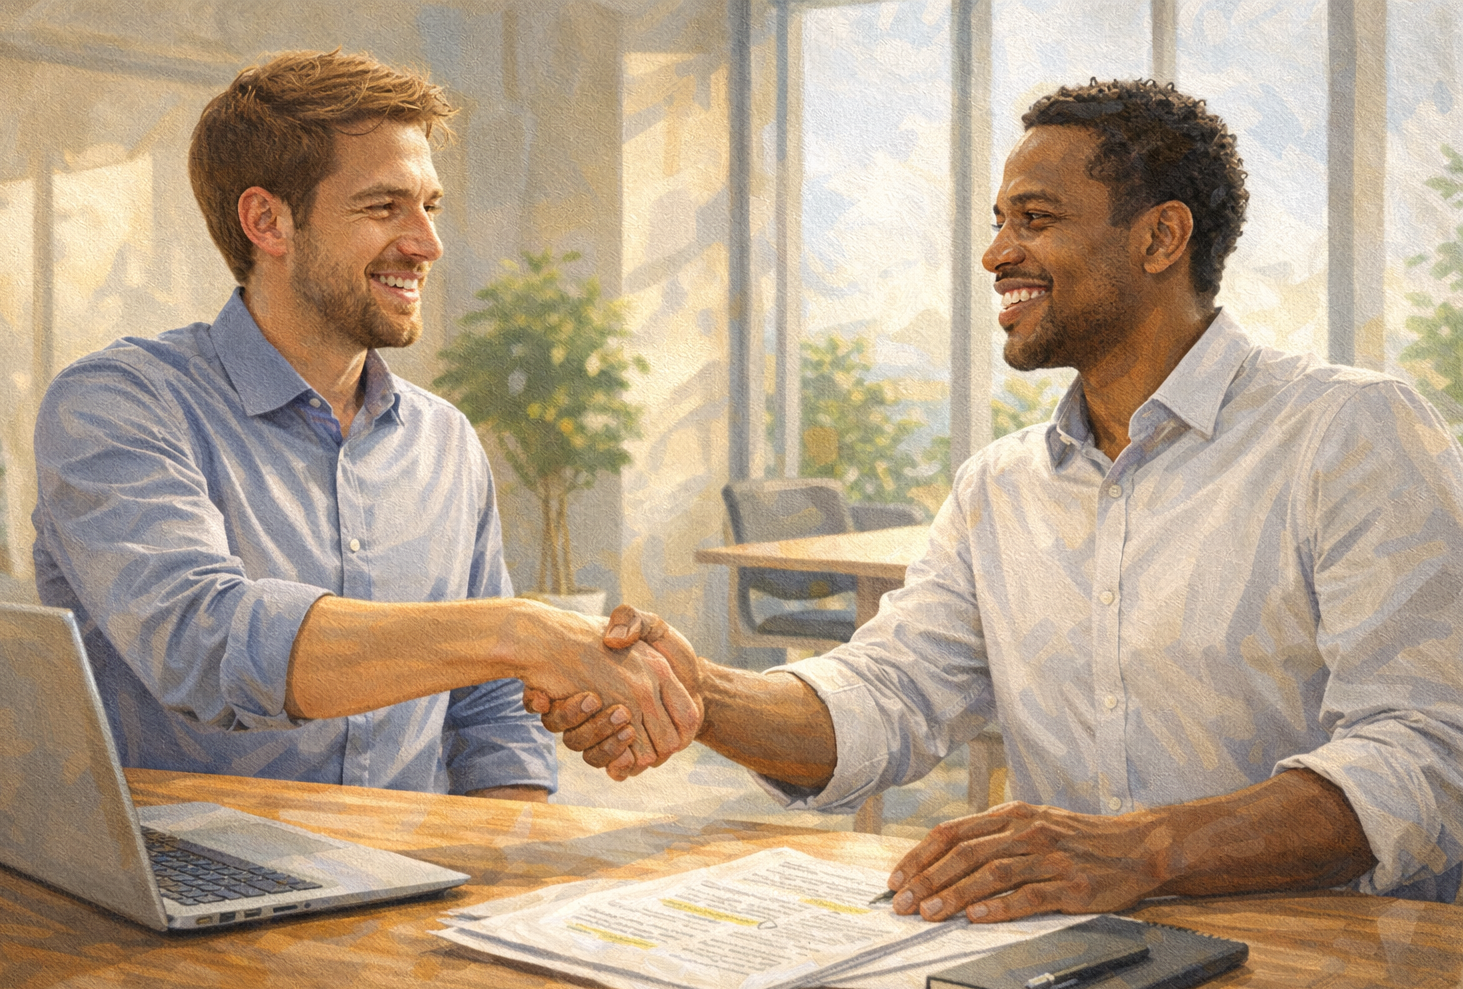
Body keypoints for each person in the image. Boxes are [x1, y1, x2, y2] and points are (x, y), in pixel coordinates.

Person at [531, 79, 1463, 917]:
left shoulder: (1352, 433)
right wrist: (697, 691)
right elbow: (889, 696)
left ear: (1160, 237)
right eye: (998, 219)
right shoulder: (999, 486)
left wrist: (1141, 851)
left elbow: (1428, 755)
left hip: (1332, 962)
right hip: (1070, 956)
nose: (993, 254)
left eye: (1034, 219)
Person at [32, 50, 697, 801]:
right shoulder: (119, 404)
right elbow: (202, 644)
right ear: (267, 221)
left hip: (415, 886)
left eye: (429, 206)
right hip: (181, 887)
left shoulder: (446, 441)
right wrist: (519, 631)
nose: (426, 243)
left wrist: (506, 864)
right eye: (384, 208)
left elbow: (487, 716)